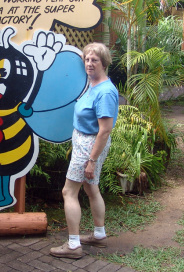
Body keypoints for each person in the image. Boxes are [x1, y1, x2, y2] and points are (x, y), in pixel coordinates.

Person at [50, 42, 119, 259]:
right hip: (85, 143)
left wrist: (91, 161)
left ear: (104, 63)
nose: (89, 63)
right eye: (87, 59)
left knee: (69, 192)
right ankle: (99, 235)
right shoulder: (93, 84)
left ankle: (73, 245)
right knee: (91, 189)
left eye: (94, 60)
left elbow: (105, 131)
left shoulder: (105, 92)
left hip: (89, 146)